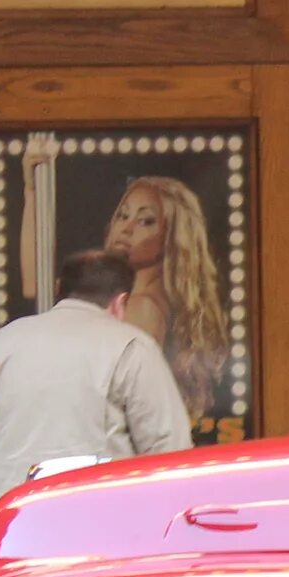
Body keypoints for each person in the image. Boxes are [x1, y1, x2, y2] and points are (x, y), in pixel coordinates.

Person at [0, 248, 192, 513]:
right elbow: (169, 449)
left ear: (59, 289)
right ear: (120, 301)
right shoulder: (129, 345)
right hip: (92, 522)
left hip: (6, 521)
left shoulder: (1, 343)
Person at [102, 174, 229, 431]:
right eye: (123, 216)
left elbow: (126, 396)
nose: (126, 228)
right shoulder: (145, 299)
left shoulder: (142, 307)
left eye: (145, 221)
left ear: (172, 236)